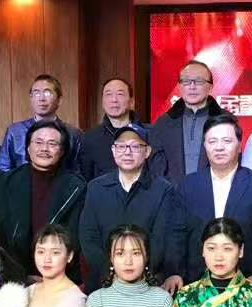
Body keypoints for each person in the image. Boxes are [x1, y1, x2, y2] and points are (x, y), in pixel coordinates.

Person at [78, 123, 184, 291]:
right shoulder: (96, 188)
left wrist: (140, 273)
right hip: (103, 282)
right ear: (113, 150)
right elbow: (88, 236)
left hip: (148, 282)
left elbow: (162, 239)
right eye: (121, 146)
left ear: (147, 152)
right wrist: (111, 272)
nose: (127, 152)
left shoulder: (162, 189)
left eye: (135, 146)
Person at [178, 114, 252, 285]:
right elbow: (177, 233)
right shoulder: (188, 184)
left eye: (227, 141)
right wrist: (175, 272)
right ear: (205, 146)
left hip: (246, 280)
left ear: (239, 146)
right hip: (196, 281)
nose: (219, 147)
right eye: (212, 141)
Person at [0, 121, 88, 278]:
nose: (44, 148)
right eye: (38, 142)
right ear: (28, 148)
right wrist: (20, 275)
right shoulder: (8, 181)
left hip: (61, 274)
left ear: (62, 151)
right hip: (14, 272)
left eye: (52, 144)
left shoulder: (76, 186)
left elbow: (76, 236)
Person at [149, 59, 224, 185]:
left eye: (199, 81)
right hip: (173, 194)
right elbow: (156, 165)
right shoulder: (164, 123)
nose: (192, 86)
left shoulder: (226, 122)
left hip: (214, 193)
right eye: (186, 81)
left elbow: (232, 163)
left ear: (210, 87)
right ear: (179, 86)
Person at [77, 77, 166, 182]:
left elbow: (160, 175)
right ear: (102, 102)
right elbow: (85, 179)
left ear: (131, 102)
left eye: (120, 94)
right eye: (108, 94)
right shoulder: (89, 139)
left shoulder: (152, 134)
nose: (114, 100)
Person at [0, 73, 82, 173]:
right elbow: (3, 169)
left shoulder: (73, 133)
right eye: (36, 93)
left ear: (59, 100)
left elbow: (77, 170)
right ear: (31, 98)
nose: (41, 99)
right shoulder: (15, 131)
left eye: (47, 93)